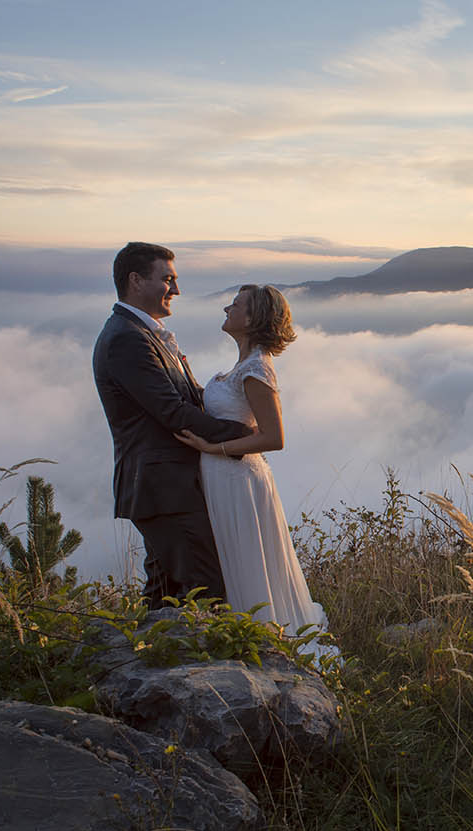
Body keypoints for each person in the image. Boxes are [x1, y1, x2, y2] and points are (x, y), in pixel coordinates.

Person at [174, 284, 336, 660]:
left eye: (237, 304)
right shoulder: (243, 365)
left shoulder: (257, 368)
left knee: (246, 561)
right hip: (224, 477)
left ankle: (259, 647)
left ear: (254, 318)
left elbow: (274, 437)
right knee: (233, 560)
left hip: (238, 480)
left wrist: (214, 448)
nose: (227, 307)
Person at [93, 242, 251, 604]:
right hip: (162, 489)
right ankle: (213, 661)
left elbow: (188, 399)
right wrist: (243, 436)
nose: (176, 290)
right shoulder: (126, 340)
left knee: (167, 594)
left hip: (166, 489)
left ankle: (148, 658)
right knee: (208, 588)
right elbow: (171, 413)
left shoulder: (142, 334)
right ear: (135, 280)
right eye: (167, 279)